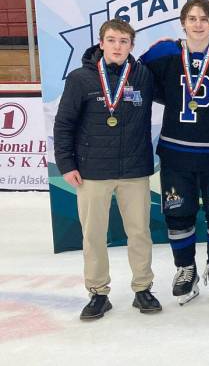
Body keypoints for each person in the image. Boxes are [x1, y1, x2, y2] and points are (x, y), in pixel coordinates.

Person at [54, 19, 162, 319]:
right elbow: (63, 124)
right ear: (101, 44)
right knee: (93, 236)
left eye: (124, 41)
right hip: (92, 171)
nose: (117, 46)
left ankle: (143, 288)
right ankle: (98, 293)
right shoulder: (80, 78)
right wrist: (66, 164)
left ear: (131, 45)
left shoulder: (143, 75)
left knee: (139, 232)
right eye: (112, 40)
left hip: (134, 170)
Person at [140, 0, 209, 305]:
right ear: (183, 22)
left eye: (204, 19)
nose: (198, 24)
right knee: (178, 214)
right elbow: (133, 75)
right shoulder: (165, 53)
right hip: (177, 152)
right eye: (193, 18)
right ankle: (186, 269)